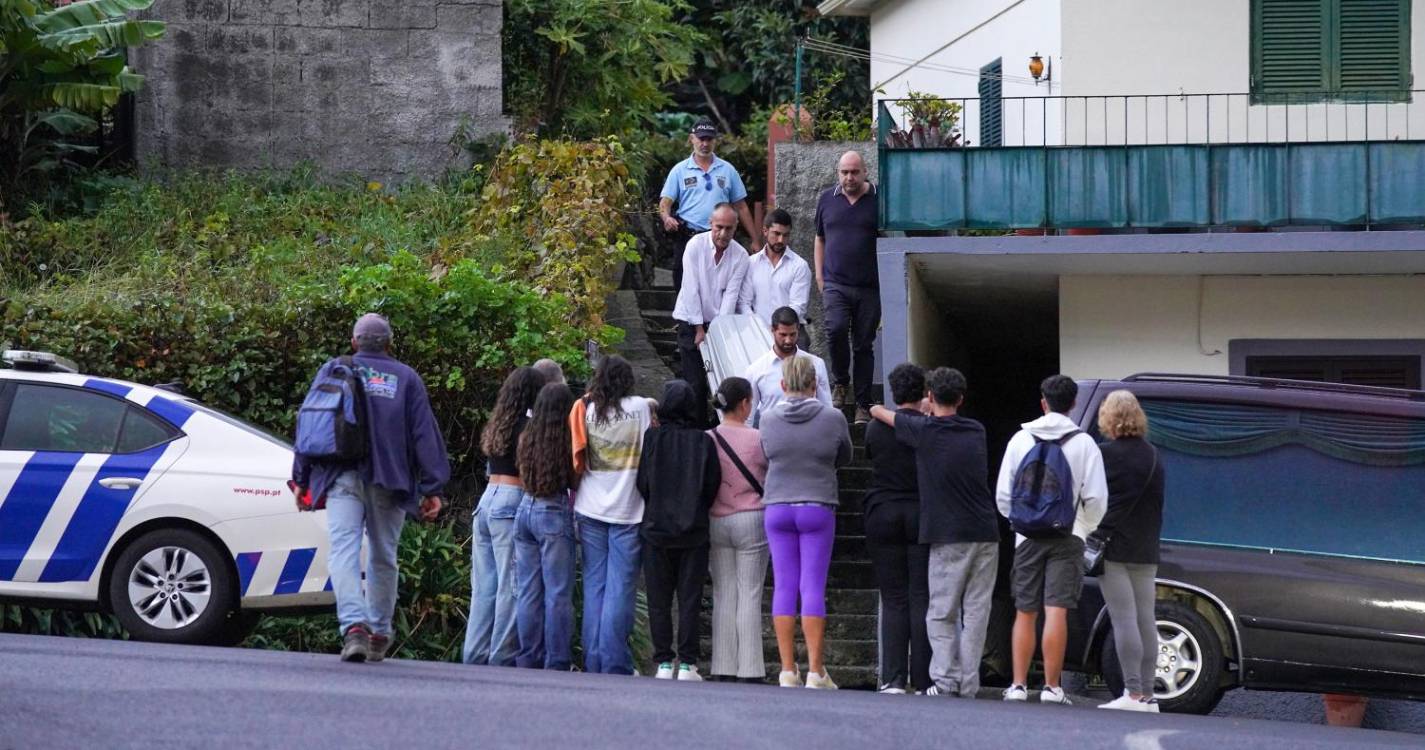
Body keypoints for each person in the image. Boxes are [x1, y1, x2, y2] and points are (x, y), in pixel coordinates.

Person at [292, 313, 449, 663]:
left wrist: (301, 479)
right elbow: (424, 434)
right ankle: (379, 631)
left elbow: (309, 424)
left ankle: (354, 628)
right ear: (390, 343)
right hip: (390, 481)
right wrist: (432, 487)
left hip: (341, 477)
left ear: (354, 342)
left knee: (343, 552)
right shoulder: (406, 378)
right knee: (384, 555)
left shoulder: (333, 369)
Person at [871, 367, 1000, 698]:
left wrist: (873, 408)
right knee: (975, 613)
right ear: (961, 398)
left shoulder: (925, 431)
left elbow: (883, 414)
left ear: (931, 397)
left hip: (947, 533)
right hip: (986, 532)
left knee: (941, 612)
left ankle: (943, 680)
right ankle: (968, 683)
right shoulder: (976, 430)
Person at [994, 374, 1107, 704]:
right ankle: (1052, 687)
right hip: (1068, 535)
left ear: (1043, 402)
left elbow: (1004, 495)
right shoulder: (1084, 443)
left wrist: (1022, 523)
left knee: (1025, 611)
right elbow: (1097, 499)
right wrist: (1080, 528)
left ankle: (1017, 685)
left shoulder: (1020, 440)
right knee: (1056, 610)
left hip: (1026, 537)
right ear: (1073, 404)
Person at [759, 354, 852, 689]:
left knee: (784, 585)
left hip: (778, 505)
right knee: (812, 586)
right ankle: (816, 670)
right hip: (817, 504)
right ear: (815, 385)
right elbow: (845, 455)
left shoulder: (767, 419)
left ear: (783, 385)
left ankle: (787, 669)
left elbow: (765, 454)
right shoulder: (833, 417)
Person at [568, 355, 654, 675]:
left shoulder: (588, 409)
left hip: (589, 507)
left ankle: (592, 659)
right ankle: (615, 661)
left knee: (594, 588)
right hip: (629, 510)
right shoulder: (640, 409)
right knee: (621, 588)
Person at [635, 379, 721, 681]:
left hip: (656, 528)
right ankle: (687, 662)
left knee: (659, 599)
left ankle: (662, 662)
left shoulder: (652, 439)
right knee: (689, 598)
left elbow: (642, 483)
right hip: (694, 529)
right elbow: (712, 485)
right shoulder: (703, 441)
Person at [462, 366, 545, 667]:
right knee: (511, 587)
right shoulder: (529, 427)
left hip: (486, 501)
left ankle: (474, 654)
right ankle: (501, 657)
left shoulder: (498, 422)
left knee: (483, 587)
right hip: (511, 503)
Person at [860, 363, 931, 695]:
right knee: (920, 596)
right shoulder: (929, 429)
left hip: (883, 512)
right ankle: (922, 677)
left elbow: (871, 456)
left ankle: (893, 677)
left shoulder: (876, 429)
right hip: (920, 513)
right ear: (923, 393)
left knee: (893, 597)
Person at [1093, 391, 1165, 713]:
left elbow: (1092, 498)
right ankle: (1149, 696)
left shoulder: (1103, 454)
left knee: (1123, 620)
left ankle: (1133, 693)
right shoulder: (1154, 456)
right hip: (1146, 548)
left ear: (1108, 417)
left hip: (1115, 547)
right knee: (1146, 620)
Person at [706, 376, 770, 683]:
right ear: (745, 404)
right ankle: (750, 667)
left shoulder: (709, 437)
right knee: (750, 592)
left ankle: (723, 664)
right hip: (752, 517)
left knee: (724, 591)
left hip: (716, 519)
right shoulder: (758, 438)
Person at [512, 382, 579, 671]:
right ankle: (557, 660)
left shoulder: (527, 435)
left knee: (528, 590)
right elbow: (574, 478)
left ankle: (528, 656)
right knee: (558, 593)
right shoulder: (565, 438)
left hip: (524, 507)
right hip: (553, 510)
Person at [814, 150, 880, 426]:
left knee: (864, 345)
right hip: (835, 284)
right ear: (838, 173)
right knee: (836, 330)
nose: (849, 177)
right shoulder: (827, 199)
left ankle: (863, 404)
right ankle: (841, 382)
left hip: (870, 287)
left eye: (854, 172)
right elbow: (819, 238)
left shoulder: (879, 199)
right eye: (844, 172)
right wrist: (819, 276)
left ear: (865, 172)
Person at [659, 118, 760, 289]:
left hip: (720, 237)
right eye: (701, 139)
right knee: (683, 281)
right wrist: (666, 218)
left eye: (709, 139)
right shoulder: (679, 170)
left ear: (715, 141)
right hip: (688, 235)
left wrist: (755, 239)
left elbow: (741, 206)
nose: (705, 143)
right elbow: (665, 202)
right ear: (692, 139)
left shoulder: (728, 170)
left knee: (718, 285)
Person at [672, 202, 750, 418]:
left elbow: (731, 295)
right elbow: (690, 288)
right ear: (710, 224)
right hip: (690, 321)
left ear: (736, 228)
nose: (723, 234)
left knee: (723, 384)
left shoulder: (740, 255)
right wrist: (699, 328)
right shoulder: (695, 245)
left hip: (720, 325)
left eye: (729, 229)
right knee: (695, 383)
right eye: (719, 227)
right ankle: (695, 431)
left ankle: (720, 431)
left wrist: (716, 331)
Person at [744, 306, 831, 428]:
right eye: (783, 335)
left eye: (792, 334)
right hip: (772, 438)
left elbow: (826, 407)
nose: (788, 340)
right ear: (772, 330)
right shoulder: (755, 370)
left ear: (798, 330)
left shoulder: (816, 364)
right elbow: (748, 416)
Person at [738, 208, 812, 348]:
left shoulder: (800, 266)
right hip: (756, 331)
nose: (781, 240)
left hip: (790, 332)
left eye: (785, 235)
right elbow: (743, 303)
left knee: (800, 364)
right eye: (776, 234)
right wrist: (757, 329)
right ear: (765, 231)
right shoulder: (750, 263)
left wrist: (780, 331)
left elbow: (798, 306)